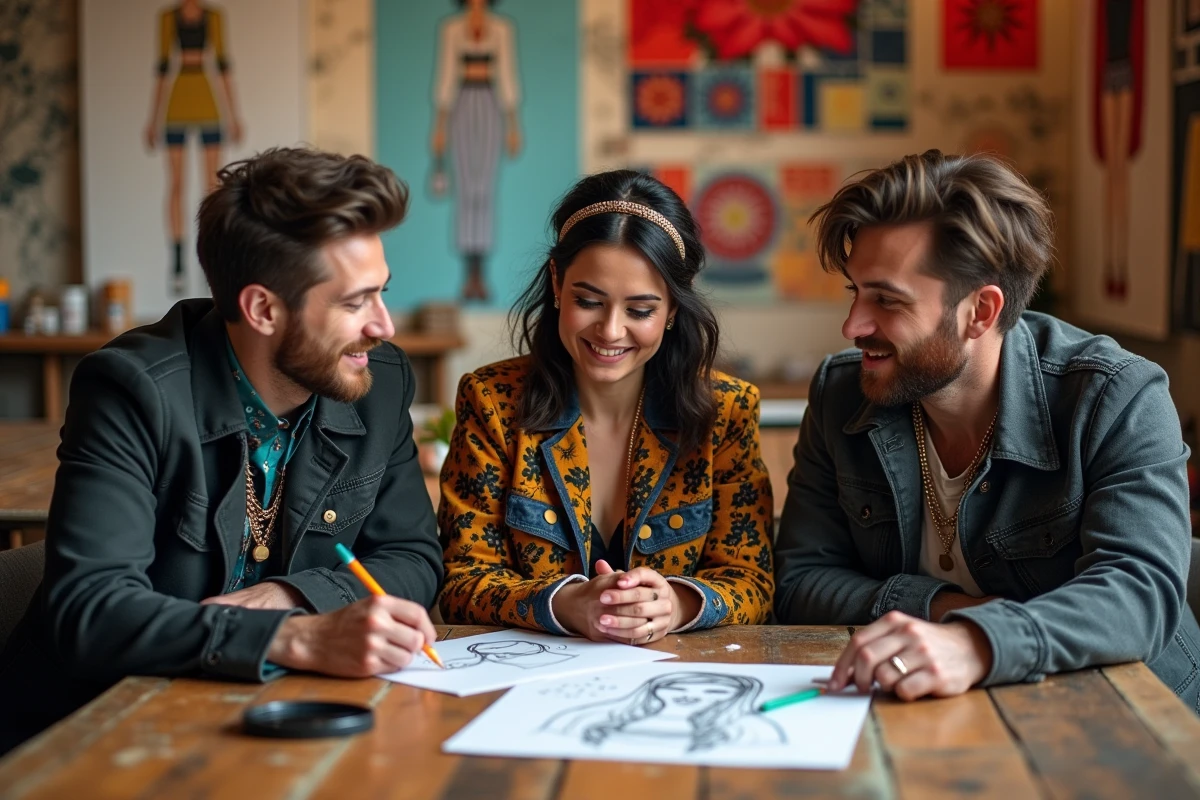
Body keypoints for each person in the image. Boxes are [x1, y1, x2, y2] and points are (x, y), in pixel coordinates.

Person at [0, 148, 443, 754]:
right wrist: (299, 637)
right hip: (96, 733)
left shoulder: (380, 380)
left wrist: (292, 596)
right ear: (263, 308)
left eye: (381, 293)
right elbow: (91, 612)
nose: (384, 325)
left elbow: (413, 557)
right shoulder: (130, 391)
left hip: (269, 720)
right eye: (353, 302)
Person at [773, 150, 1200, 710]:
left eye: (887, 300)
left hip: (1127, 717)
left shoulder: (1114, 396)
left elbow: (1140, 595)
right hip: (927, 713)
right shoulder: (840, 394)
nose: (853, 326)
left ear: (980, 311)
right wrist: (948, 610)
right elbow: (801, 579)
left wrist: (977, 643)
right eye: (856, 292)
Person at [438, 170, 775, 642]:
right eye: (589, 301)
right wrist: (564, 603)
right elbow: (461, 581)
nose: (611, 331)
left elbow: (753, 581)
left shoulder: (726, 411)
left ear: (673, 308)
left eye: (640, 310)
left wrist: (676, 604)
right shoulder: (493, 402)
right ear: (557, 284)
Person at [144, 0, 245, 296]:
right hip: (178, 96)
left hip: (206, 94)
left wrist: (233, 115)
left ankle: (209, 258)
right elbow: (162, 68)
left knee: (212, 184)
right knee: (176, 184)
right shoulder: (167, 18)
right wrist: (153, 119)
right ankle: (177, 262)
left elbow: (223, 66)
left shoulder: (214, 17)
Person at [429, 0, 522, 302]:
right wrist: (440, 125)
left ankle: (480, 273)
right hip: (462, 105)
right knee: (467, 189)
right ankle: (469, 274)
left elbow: (507, 75)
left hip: (490, 104)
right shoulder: (452, 28)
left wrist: (512, 125)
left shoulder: (501, 28)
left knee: (484, 189)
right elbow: (445, 76)